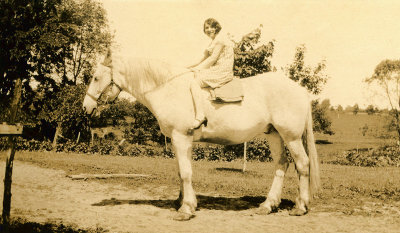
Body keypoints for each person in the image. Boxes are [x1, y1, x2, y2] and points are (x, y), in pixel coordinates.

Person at [187, 18, 235, 130]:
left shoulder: (221, 40)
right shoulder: (213, 42)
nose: (209, 30)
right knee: (192, 75)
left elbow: (212, 59)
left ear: (216, 27)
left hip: (222, 71)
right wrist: (185, 68)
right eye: (206, 28)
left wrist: (197, 69)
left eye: (211, 27)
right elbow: (200, 59)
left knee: (195, 83)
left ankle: (200, 116)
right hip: (216, 69)